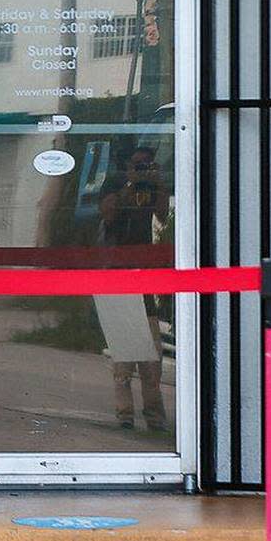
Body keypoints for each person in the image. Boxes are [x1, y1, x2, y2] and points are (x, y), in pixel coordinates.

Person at [96, 145, 169, 431]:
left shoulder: (153, 188)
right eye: (138, 165)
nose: (143, 170)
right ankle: (124, 414)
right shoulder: (114, 184)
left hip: (144, 278)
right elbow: (108, 215)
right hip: (117, 275)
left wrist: (158, 183)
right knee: (124, 358)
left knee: (151, 356)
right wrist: (129, 182)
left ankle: (155, 417)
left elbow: (163, 215)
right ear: (127, 165)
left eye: (147, 165)